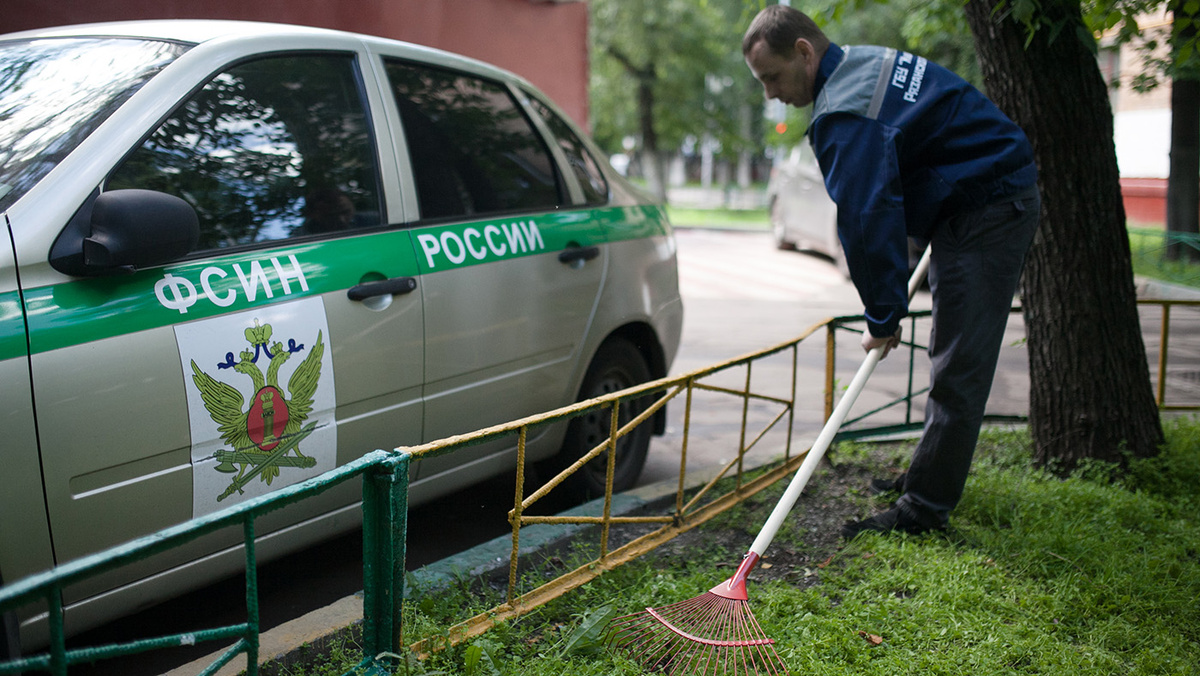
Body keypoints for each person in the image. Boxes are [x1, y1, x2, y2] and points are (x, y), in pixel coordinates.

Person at [743, 6, 1040, 537]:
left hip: (989, 205)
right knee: (950, 356)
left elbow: (866, 221)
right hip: (970, 196)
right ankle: (925, 478)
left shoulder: (842, 114)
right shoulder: (862, 62)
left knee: (959, 365)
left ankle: (922, 512)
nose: (770, 94)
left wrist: (882, 315)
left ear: (804, 53)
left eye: (773, 77)